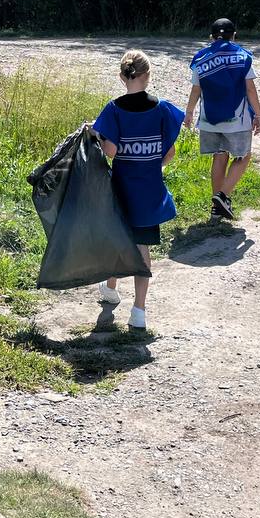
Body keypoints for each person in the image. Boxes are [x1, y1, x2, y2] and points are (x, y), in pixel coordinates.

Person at [91, 50, 184, 331]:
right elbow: (170, 152)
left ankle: (110, 289)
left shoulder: (114, 108)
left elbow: (110, 152)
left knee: (117, 239)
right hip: (149, 191)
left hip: (121, 189)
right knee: (142, 246)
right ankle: (139, 311)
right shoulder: (162, 108)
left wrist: (98, 135)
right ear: (148, 75)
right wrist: (154, 165)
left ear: (122, 77)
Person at [183, 18, 260, 222]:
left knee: (219, 156)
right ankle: (223, 196)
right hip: (237, 119)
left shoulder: (201, 58)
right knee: (243, 157)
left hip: (210, 120)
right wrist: (259, 115)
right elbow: (250, 89)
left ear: (212, 37)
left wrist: (189, 112)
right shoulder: (242, 56)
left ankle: (216, 208)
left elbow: (196, 89)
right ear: (234, 35)